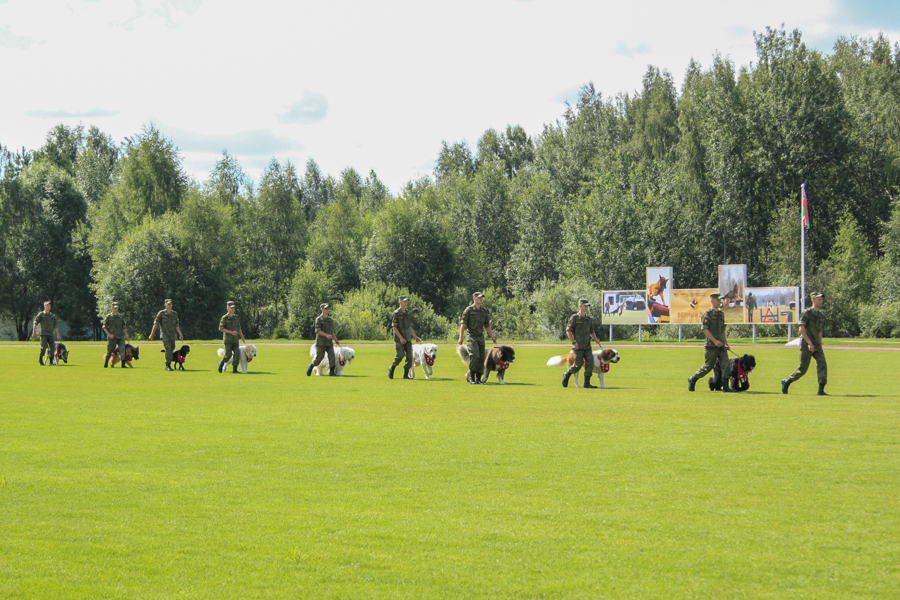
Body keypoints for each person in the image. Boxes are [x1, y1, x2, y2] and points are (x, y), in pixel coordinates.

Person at [782, 292, 828, 396]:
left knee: (822, 365)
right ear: (813, 300)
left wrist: (819, 345)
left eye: (821, 299)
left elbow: (820, 331)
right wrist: (809, 343)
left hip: (816, 345)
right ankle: (787, 381)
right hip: (806, 344)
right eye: (818, 299)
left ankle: (821, 390)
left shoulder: (820, 315)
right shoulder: (807, 313)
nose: (821, 301)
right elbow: (801, 329)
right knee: (803, 368)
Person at [688, 292, 732, 392]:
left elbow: (723, 329)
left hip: (721, 346)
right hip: (711, 346)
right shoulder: (707, 314)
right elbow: (705, 329)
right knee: (708, 367)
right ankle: (693, 379)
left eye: (720, 300)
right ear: (712, 300)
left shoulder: (721, 314)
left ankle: (725, 386)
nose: (719, 302)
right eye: (717, 300)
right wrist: (715, 341)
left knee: (726, 365)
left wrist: (725, 343)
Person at [457, 292, 497, 384]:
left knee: (482, 357)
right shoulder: (469, 310)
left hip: (480, 336)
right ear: (474, 298)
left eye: (482, 297)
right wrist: (460, 337)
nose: (481, 299)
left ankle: (478, 378)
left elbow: (487, 325)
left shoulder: (484, 311)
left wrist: (492, 337)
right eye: (479, 297)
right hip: (471, 336)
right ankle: (471, 376)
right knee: (475, 355)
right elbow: (463, 324)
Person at [563, 299, 603, 388]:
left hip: (587, 346)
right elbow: (568, 331)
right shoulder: (574, 318)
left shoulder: (589, 319)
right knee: (578, 364)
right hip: (578, 346)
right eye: (585, 305)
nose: (587, 307)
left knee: (590, 363)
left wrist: (596, 339)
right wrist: (573, 343)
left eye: (587, 306)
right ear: (580, 306)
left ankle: (587, 383)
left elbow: (591, 331)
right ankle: (567, 374)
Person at [389, 295, 422, 379]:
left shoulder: (408, 313)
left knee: (410, 357)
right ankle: (392, 368)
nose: (406, 302)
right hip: (399, 338)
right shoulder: (396, 313)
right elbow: (394, 327)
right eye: (404, 301)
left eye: (406, 301)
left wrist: (415, 337)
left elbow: (409, 327)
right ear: (400, 302)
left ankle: (406, 375)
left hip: (407, 338)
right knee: (400, 355)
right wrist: (401, 338)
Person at [148, 298, 184, 371]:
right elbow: (155, 324)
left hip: (172, 335)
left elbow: (177, 325)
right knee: (168, 349)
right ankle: (168, 365)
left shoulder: (175, 314)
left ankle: (170, 362)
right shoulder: (161, 313)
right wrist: (152, 334)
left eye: (171, 304)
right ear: (165, 305)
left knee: (172, 348)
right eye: (168, 304)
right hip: (164, 335)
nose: (170, 305)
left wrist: (180, 334)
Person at [307, 303, 340, 376]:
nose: (327, 310)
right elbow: (318, 331)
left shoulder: (330, 320)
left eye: (328, 308)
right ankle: (311, 366)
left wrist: (336, 340)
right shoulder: (318, 319)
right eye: (326, 308)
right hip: (321, 342)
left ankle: (332, 372)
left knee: (332, 357)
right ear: (321, 309)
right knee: (319, 358)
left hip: (329, 342)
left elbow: (332, 332)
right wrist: (326, 335)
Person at [218, 300, 247, 374]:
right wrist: (231, 332)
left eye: (234, 308)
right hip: (228, 340)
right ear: (227, 308)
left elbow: (239, 328)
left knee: (237, 354)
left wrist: (242, 337)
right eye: (231, 308)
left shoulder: (236, 317)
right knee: (228, 355)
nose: (233, 309)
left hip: (235, 340)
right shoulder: (224, 318)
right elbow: (221, 328)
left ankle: (235, 369)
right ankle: (221, 363)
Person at [32, 301, 61, 366]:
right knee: (44, 347)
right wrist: (34, 332)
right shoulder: (41, 314)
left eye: (50, 306)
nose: (49, 307)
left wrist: (58, 335)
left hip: (50, 334)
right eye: (47, 306)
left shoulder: (52, 316)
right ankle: (41, 359)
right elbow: (35, 323)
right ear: (44, 306)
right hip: (43, 334)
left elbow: (55, 326)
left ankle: (51, 362)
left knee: (52, 348)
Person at [102, 302, 130, 368]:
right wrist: (109, 334)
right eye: (115, 308)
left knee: (123, 350)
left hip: (120, 336)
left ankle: (123, 364)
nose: (116, 309)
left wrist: (126, 335)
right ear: (112, 308)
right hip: (112, 337)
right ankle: (106, 363)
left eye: (117, 308)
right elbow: (104, 327)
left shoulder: (121, 317)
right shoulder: (108, 317)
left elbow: (124, 327)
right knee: (110, 350)